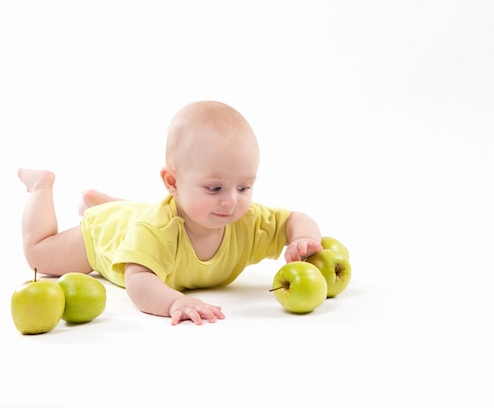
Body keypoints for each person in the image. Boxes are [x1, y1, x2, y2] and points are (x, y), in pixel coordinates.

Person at [18, 100, 323, 326]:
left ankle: (105, 202)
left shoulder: (248, 222)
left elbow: (294, 219)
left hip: (138, 216)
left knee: (139, 215)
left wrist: (304, 238)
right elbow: (138, 280)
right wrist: (175, 301)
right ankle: (42, 187)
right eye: (215, 189)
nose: (231, 202)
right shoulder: (156, 231)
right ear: (173, 183)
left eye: (243, 188)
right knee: (40, 255)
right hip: (106, 237)